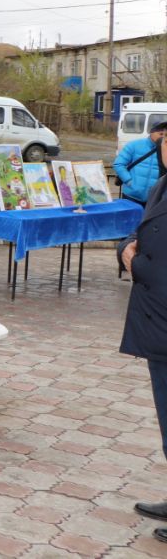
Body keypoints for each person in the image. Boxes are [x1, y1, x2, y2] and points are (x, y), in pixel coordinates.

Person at [118, 132, 167, 544]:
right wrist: (126, 252)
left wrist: (139, 267)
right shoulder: (159, 186)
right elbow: (137, 236)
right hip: (157, 322)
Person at [115, 122, 167, 205]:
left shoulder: (165, 149)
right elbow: (119, 164)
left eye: (165, 135)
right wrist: (129, 181)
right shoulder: (134, 145)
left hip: (154, 198)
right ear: (151, 132)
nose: (163, 137)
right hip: (131, 195)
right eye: (160, 134)